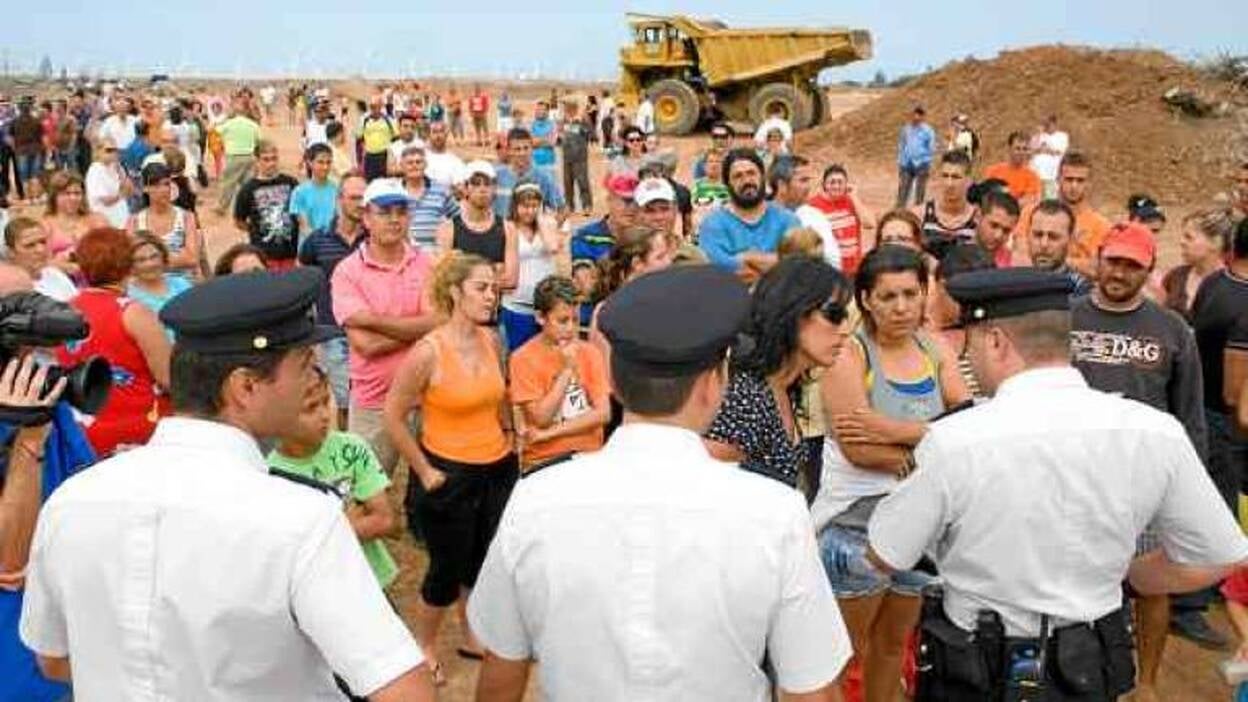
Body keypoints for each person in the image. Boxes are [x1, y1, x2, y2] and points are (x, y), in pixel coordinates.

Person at [19, 268, 434, 700]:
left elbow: (54, 658)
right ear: (245, 387)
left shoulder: (71, 502)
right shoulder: (301, 520)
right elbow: (404, 691)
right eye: (305, 367)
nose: (315, 381)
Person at [468, 264, 852, 701]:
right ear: (714, 383)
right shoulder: (777, 513)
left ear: (614, 383)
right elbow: (809, 688)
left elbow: (501, 672)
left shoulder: (535, 499)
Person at [868, 267, 1248, 700]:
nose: (966, 358)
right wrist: (1130, 575)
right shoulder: (1155, 431)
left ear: (996, 342)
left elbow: (886, 553)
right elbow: (1221, 553)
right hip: (1087, 667)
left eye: (969, 344)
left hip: (976, 671)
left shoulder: (954, 440)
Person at [813, 244, 968, 702]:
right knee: (841, 658)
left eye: (910, 294)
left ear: (925, 294)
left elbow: (965, 425)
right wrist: (929, 444)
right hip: (855, 529)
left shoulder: (934, 347)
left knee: (893, 647)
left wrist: (891, 429)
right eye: (888, 296)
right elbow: (858, 449)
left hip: (920, 530)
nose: (901, 307)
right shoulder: (850, 355)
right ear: (866, 300)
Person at [1070, 222, 1209, 694]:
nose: (1120, 272)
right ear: (1098, 258)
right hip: (1074, 480)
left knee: (1151, 587)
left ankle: (1146, 684)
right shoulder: (1064, 319)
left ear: (1149, 270)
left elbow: (1189, 415)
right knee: (1076, 581)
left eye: (1132, 265)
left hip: (1146, 486)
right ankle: (1077, 676)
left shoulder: (1173, 330)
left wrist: (1189, 489)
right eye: (1114, 260)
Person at [383, 251, 518, 681]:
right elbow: (393, 415)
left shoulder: (492, 340)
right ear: (455, 292)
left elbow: (500, 394)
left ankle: (470, 632)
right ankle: (423, 645)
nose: (491, 296)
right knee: (445, 570)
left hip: (496, 467)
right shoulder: (428, 351)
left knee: (481, 559)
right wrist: (424, 471)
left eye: (493, 288)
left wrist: (509, 434)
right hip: (448, 474)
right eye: (481, 288)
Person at [0, 262, 98, 702]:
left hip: (62, 648)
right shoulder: (33, 418)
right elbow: (8, 561)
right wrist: (29, 439)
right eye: (15, 306)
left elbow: (82, 488)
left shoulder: (43, 397)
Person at [705, 255, 852, 488]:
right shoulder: (747, 395)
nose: (845, 330)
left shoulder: (783, 386)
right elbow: (707, 487)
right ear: (793, 311)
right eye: (833, 315)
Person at [332, 178, 437, 475]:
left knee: (435, 487)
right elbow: (365, 346)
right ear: (366, 218)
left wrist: (371, 320)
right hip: (374, 401)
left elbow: (437, 322)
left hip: (428, 397)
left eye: (401, 211)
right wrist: (421, 329)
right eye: (385, 212)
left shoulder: (427, 263)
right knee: (365, 489)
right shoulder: (347, 272)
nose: (394, 219)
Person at [267, 366, 398, 590]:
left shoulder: (351, 447)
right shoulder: (268, 475)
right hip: (313, 587)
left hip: (370, 578)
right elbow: (284, 550)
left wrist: (317, 536)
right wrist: (350, 523)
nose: (325, 415)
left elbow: (384, 520)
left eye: (326, 402)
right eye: (310, 408)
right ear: (278, 416)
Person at [54, 227, 171, 456]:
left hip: (83, 427)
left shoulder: (63, 310)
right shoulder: (133, 312)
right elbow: (167, 378)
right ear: (127, 265)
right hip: (138, 425)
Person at [509, 274, 609, 471]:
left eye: (575, 320)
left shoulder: (590, 352)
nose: (571, 328)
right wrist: (567, 371)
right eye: (562, 321)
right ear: (540, 317)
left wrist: (547, 434)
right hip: (545, 459)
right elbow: (541, 418)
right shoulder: (522, 358)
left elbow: (603, 413)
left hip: (589, 454)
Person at [300, 175, 368, 421]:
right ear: (340, 200)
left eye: (364, 198)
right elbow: (305, 277)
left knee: (369, 400)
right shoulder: (317, 240)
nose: (360, 204)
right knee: (344, 401)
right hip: (333, 331)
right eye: (354, 198)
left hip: (372, 330)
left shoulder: (375, 239)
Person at [698, 148, 800, 282]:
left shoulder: (787, 219)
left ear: (763, 177)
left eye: (751, 173)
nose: (747, 181)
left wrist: (747, 257)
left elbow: (798, 265)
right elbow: (718, 272)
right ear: (727, 184)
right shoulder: (713, 225)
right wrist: (774, 266)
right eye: (738, 176)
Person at [1012, 151, 1111, 275]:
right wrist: (1076, 262)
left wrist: (1053, 261)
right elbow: (1020, 258)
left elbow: (1096, 269)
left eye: (1080, 181)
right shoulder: (1032, 213)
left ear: (1089, 184)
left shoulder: (1101, 226)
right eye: (1069, 179)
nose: (1074, 186)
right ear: (1058, 179)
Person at [500, 182, 568, 352]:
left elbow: (553, 247)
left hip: (545, 305)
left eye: (534, 206)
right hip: (516, 305)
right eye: (525, 206)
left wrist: (541, 220)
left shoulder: (547, 223)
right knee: (518, 353)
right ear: (516, 206)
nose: (530, 211)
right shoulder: (508, 227)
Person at [437, 161, 518, 295]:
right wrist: (495, 270)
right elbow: (443, 278)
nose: (482, 189)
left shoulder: (508, 228)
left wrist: (464, 276)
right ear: (465, 188)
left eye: (487, 184)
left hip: (496, 306)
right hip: (460, 307)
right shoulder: (448, 229)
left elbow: (511, 280)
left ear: (494, 188)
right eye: (476, 183)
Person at [128, 163, 203, 283]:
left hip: (183, 283)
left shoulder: (186, 217)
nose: (163, 190)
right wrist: (179, 257)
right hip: (148, 285)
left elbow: (192, 259)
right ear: (146, 188)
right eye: (156, 185)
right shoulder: (135, 220)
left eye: (166, 184)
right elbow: (130, 262)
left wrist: (148, 262)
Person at [233, 140, 299, 271]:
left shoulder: (291, 183)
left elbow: (300, 213)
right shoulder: (248, 189)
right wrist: (256, 229)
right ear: (257, 161)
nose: (271, 163)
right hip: (264, 255)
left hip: (291, 251)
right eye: (266, 159)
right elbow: (239, 220)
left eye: (274, 158)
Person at [769, 155, 843, 270]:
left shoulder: (815, 217)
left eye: (809, 180)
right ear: (782, 185)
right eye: (803, 180)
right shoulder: (760, 217)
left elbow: (834, 263)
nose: (808, 187)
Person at [1160, 208, 1235, 319]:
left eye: (1189, 237)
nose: (1182, 242)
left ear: (1215, 242)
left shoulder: (1234, 284)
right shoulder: (1175, 276)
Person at [807, 163, 876, 277]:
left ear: (846, 185)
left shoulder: (852, 202)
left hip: (853, 270)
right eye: (832, 182)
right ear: (824, 185)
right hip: (828, 270)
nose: (836, 186)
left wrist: (854, 197)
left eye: (840, 182)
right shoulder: (813, 205)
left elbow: (870, 223)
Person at [493, 127, 565, 222]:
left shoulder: (543, 178)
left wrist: (551, 226)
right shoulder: (496, 176)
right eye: (517, 149)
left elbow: (561, 208)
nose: (522, 153)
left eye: (526, 148)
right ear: (509, 150)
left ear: (532, 149)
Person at [42, 169, 107, 274]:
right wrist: (66, 266)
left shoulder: (97, 219)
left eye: (77, 193)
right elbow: (43, 262)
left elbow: (111, 249)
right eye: (66, 193)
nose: (73, 198)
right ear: (54, 196)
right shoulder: (45, 225)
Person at [1024, 198, 1093, 296]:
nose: (1044, 244)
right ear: (1027, 236)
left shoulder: (1080, 290)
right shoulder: (1012, 285)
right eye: (1038, 235)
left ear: (1070, 240)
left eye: (1053, 237)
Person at [126, 231, 193, 332]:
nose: (150, 264)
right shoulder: (127, 295)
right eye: (141, 260)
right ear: (130, 265)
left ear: (163, 257)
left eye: (154, 256)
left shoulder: (181, 284)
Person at [398, 146, 459, 255]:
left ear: (425, 165)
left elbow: (457, 219)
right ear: (401, 166)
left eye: (418, 162)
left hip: (436, 254)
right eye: (410, 163)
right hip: (404, 253)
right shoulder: (395, 191)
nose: (414, 166)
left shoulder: (441, 190)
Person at [915, 149, 978, 252]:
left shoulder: (978, 221)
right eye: (945, 176)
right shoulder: (919, 216)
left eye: (956, 177)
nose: (949, 184)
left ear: (969, 181)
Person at [570, 172, 638, 266]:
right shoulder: (586, 237)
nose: (632, 208)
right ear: (609, 200)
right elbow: (584, 273)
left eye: (637, 202)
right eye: (627, 201)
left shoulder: (648, 236)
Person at [3, 218, 77, 303]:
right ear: (11, 252)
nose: (40, 249)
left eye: (43, 242)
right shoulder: (9, 288)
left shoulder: (55, 274)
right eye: (30, 245)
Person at [212, 95, 261, 215]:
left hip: (233, 157)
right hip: (250, 156)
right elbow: (259, 141)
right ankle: (252, 206)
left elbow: (215, 130)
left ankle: (222, 207)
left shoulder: (229, 124)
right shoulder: (253, 124)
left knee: (228, 183)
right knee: (248, 184)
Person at [289, 143, 339, 239]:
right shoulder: (299, 192)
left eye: (328, 162)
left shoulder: (337, 190)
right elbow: (304, 226)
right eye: (320, 162)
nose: (325, 167)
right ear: (310, 163)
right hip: (310, 244)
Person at [983, 131, 1041, 205]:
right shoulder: (993, 172)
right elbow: (986, 198)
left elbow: (1030, 201)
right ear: (1009, 149)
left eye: (1025, 149)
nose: (1021, 152)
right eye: (1017, 148)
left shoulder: (1033, 177)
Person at [84, 137, 131, 227]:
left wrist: (121, 172)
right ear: (98, 151)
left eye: (115, 150)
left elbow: (130, 191)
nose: (113, 154)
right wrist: (121, 194)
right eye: (109, 150)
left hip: (121, 220)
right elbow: (106, 200)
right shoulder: (95, 170)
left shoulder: (116, 167)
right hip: (104, 221)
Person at [896, 105, 935, 208]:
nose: (916, 117)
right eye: (915, 114)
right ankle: (899, 210)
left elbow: (931, 148)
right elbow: (902, 144)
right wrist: (900, 161)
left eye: (919, 114)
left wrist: (926, 160)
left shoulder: (928, 131)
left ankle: (918, 211)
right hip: (907, 164)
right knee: (903, 189)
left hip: (922, 164)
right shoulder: (906, 129)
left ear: (923, 117)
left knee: (920, 191)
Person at [559, 100, 593, 215]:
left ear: (573, 107)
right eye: (565, 107)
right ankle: (569, 206)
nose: (565, 109)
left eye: (567, 106)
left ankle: (587, 205)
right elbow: (560, 136)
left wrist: (582, 124)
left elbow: (591, 134)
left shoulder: (583, 119)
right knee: (567, 183)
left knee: (582, 182)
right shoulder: (564, 120)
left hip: (580, 156)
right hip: (567, 156)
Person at [973, 189, 1020, 268]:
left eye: (1006, 231)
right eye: (994, 226)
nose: (998, 236)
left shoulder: (1013, 265)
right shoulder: (954, 250)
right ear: (978, 216)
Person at [1029, 114, 1069, 200]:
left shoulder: (1062, 136)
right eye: (1045, 124)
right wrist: (1039, 134)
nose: (1046, 127)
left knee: (1050, 199)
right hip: (1036, 173)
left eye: (1048, 124)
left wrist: (1045, 149)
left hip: (1051, 174)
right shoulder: (1039, 136)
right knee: (1036, 198)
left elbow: (1059, 151)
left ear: (1054, 124)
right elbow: (1031, 149)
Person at [357, 96, 395, 182]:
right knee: (369, 182)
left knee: (384, 182)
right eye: (371, 106)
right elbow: (359, 138)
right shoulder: (364, 120)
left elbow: (396, 137)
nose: (372, 109)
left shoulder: (388, 120)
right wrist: (361, 159)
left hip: (384, 156)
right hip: (369, 157)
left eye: (375, 106)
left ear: (381, 106)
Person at [423, 121, 465, 190]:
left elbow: (459, 186)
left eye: (441, 132)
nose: (438, 136)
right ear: (428, 135)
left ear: (446, 135)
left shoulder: (455, 162)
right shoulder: (421, 158)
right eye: (434, 132)